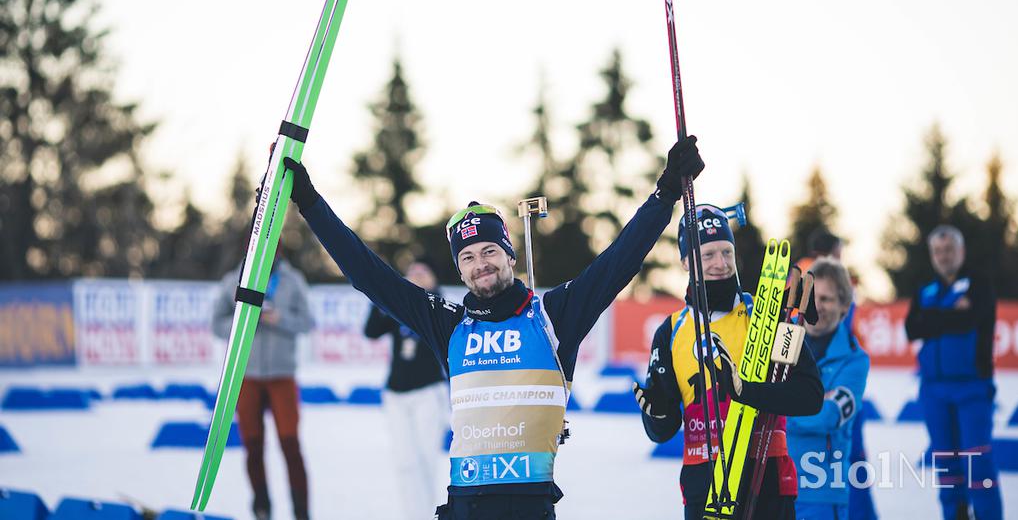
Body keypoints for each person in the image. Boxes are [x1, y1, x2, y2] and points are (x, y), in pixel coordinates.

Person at [280, 136, 703, 520]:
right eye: (467, 257)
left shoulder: (553, 316)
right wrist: (311, 202)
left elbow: (619, 260)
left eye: (489, 251)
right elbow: (368, 274)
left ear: (509, 255)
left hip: (530, 505)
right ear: (460, 270)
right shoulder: (448, 324)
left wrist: (665, 192)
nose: (480, 263)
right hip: (464, 502)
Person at [633, 203, 824, 520]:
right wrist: (656, 413)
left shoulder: (765, 316)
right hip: (704, 491)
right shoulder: (672, 331)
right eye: (707, 255)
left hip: (768, 485)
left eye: (726, 252)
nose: (720, 263)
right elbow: (663, 431)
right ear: (685, 262)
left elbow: (810, 396)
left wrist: (745, 391)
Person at [904, 225, 1003, 520]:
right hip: (933, 390)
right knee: (947, 465)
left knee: (977, 463)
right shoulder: (925, 290)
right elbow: (912, 328)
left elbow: (970, 320)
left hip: (972, 388)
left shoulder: (979, 284)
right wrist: (950, 314)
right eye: (937, 251)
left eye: (948, 250)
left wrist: (933, 317)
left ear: (961, 251)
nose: (943, 256)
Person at [213, 256, 315, 520]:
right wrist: (248, 320)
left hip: (282, 375)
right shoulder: (232, 280)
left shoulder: (293, 280)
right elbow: (217, 324)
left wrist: (280, 319)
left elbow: (308, 322)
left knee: (290, 445)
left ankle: (301, 513)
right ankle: (261, 509)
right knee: (253, 445)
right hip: (246, 374)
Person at [796, 228, 878, 520]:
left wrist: (775, 406)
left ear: (845, 306)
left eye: (828, 299)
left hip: (822, 493)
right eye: (813, 297)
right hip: (773, 490)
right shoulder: (781, 345)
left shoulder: (854, 361)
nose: (818, 305)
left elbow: (825, 417)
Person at [364, 258, 450, 517]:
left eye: (423, 272)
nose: (416, 275)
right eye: (411, 272)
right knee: (405, 462)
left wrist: (419, 293)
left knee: (425, 459)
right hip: (396, 393)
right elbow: (371, 331)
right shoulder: (398, 308)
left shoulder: (440, 308)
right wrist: (381, 295)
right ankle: (412, 514)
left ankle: (425, 513)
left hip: (428, 392)